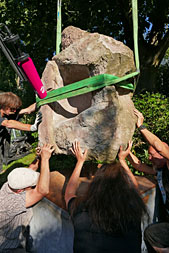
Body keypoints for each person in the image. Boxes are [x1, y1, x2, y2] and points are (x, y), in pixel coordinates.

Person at [64, 141, 147, 253]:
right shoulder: (133, 210)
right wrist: (122, 160)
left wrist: (80, 162)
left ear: (95, 186)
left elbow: (69, 194)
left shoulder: (82, 209)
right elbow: (135, 188)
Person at [128, 109, 169, 253]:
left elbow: (159, 146)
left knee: (151, 234)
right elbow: (138, 165)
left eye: (152, 155)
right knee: (152, 234)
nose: (149, 158)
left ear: (163, 155)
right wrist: (126, 152)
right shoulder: (160, 171)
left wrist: (141, 126)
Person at [0, 143, 54, 252]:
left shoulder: (10, 184)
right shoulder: (12, 202)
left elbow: (31, 168)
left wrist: (39, 157)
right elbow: (42, 190)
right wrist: (46, 159)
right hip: (9, 248)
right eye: (32, 185)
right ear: (20, 191)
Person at [0, 92, 42, 172]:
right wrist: (31, 127)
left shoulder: (8, 113)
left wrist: (42, 100)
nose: (15, 111)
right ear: (4, 106)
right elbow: (8, 123)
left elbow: (28, 110)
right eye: (12, 108)